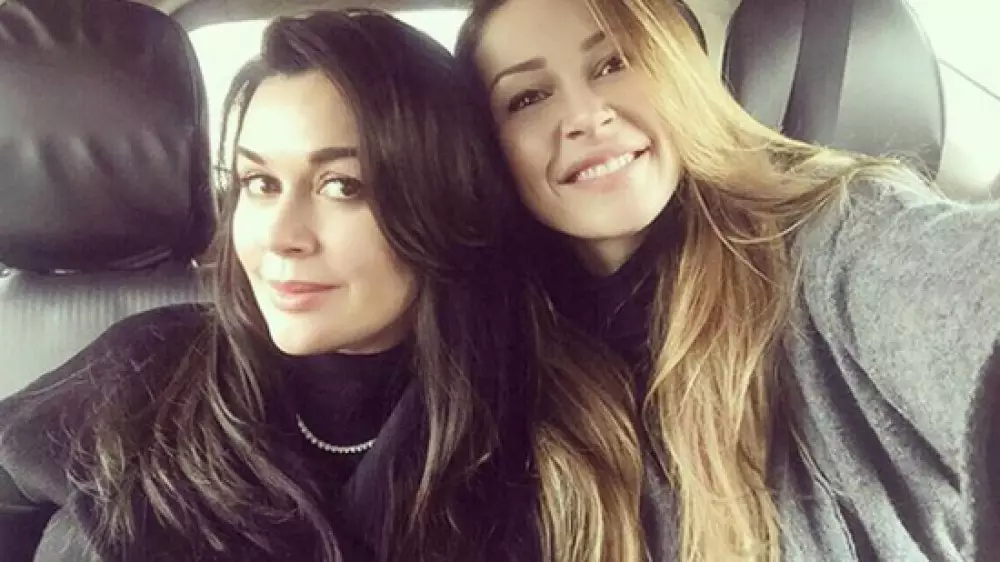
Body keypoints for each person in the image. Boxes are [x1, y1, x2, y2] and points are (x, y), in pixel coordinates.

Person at [0, 9, 640, 562]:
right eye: (259, 184)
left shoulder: (550, 432)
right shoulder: (141, 368)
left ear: (447, 203)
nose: (281, 236)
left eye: (343, 186)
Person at [456, 0, 1000, 560]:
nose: (585, 115)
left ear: (675, 72)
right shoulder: (504, 377)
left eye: (613, 63)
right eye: (528, 98)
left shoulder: (832, 236)